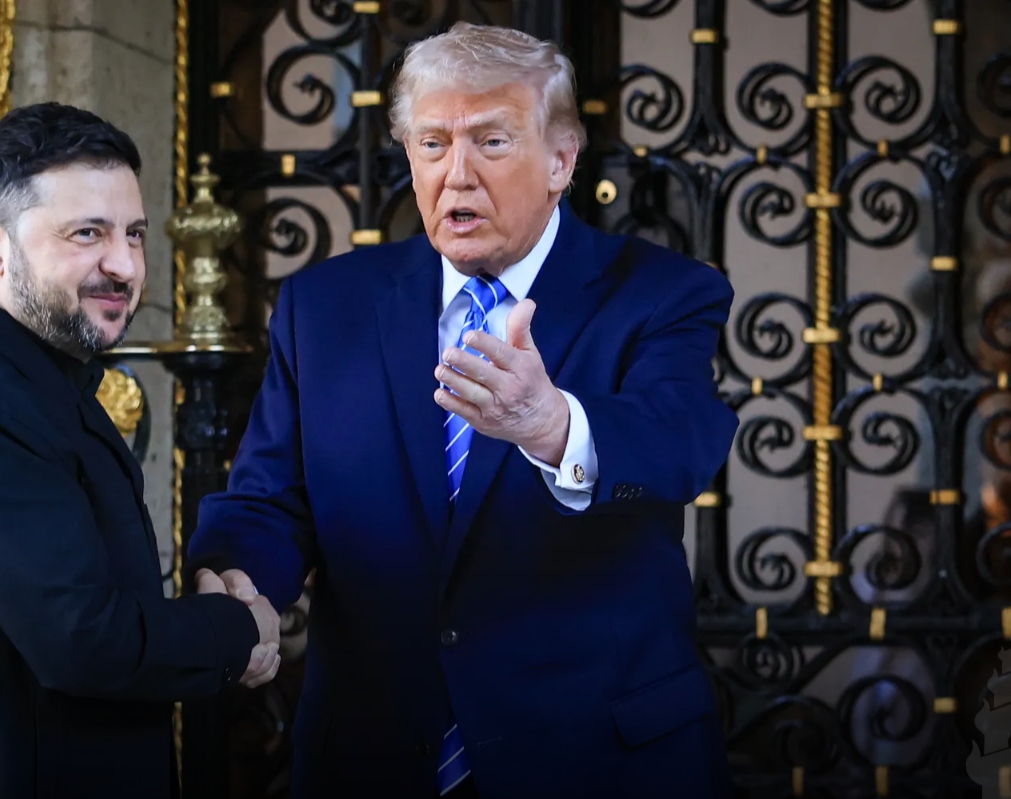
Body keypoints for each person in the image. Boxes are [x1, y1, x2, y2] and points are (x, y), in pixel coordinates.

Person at [187, 23, 738, 798]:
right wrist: (242, 590)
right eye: (433, 143)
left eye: (492, 141)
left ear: (561, 160)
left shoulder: (663, 291)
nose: (458, 174)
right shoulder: (325, 305)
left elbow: (680, 440)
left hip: (598, 756)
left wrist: (551, 424)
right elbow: (269, 499)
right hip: (371, 757)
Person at [0, 103, 281, 799]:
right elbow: (85, 642)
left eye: (134, 234)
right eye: (87, 233)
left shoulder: (38, 380)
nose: (124, 265)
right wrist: (237, 630)